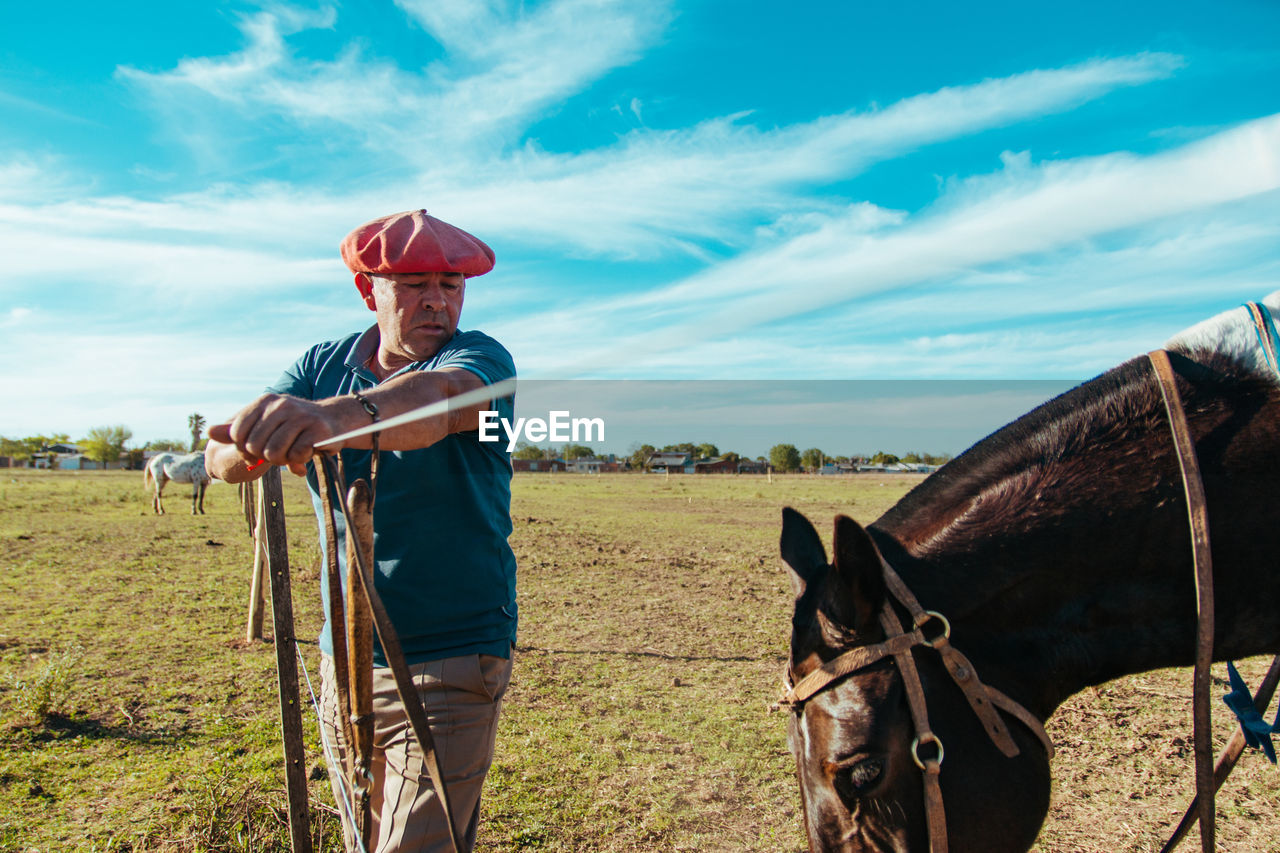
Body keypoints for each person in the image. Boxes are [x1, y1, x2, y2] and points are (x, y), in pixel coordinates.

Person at [205, 209, 518, 853]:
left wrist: (327, 420)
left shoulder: (481, 359)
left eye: (450, 285)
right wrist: (253, 445)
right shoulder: (323, 364)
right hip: (342, 652)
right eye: (413, 284)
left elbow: (436, 406)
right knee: (362, 835)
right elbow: (221, 459)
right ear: (368, 289)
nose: (437, 300)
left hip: (452, 652)